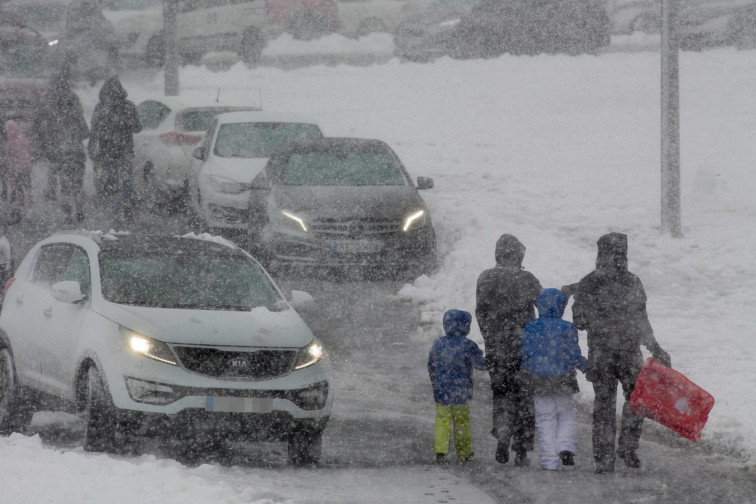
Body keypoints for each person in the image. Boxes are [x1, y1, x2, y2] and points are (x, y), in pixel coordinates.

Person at [567, 232, 671, 474]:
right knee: (636, 400)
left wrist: (598, 317)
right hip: (629, 352)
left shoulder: (589, 282)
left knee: (603, 404)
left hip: (601, 353)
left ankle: (604, 459)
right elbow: (642, 320)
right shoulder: (633, 281)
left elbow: (580, 321)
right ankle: (628, 445)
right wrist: (655, 347)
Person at [475, 234, 542, 466]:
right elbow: (545, 306)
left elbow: (481, 311)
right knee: (524, 397)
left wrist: (490, 337)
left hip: (497, 348)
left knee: (501, 394)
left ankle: (503, 432)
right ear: (519, 255)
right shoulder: (528, 279)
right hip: (524, 349)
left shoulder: (485, 277)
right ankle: (522, 449)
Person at [521, 288, 588, 471]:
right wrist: (587, 367)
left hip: (538, 379)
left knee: (545, 419)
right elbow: (574, 356)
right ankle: (565, 446)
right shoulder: (567, 327)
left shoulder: (530, 327)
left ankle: (549, 460)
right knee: (566, 413)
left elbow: (525, 355)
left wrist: (526, 370)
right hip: (563, 378)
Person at [427, 309, 487, 464]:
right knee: (462, 422)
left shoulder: (438, 344)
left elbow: (431, 365)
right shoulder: (468, 346)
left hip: (442, 390)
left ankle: (441, 450)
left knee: (442, 420)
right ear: (465, 327)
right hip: (461, 391)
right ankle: (464, 452)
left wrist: (435, 382)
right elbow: (480, 364)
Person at [35, 68, 89, 223]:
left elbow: (41, 128)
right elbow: (84, 130)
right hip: (76, 151)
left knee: (64, 185)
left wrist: (47, 145)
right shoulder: (74, 100)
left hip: (60, 152)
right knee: (77, 184)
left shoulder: (48, 103)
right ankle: (79, 209)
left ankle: (67, 214)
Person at [89, 75, 142, 221]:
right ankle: (125, 203)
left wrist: (93, 147)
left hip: (109, 150)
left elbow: (94, 129)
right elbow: (138, 127)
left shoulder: (101, 108)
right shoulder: (128, 106)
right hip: (123, 148)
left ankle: (118, 206)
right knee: (124, 177)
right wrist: (125, 124)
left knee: (114, 178)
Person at [2, 120, 33, 207]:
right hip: (26, 165)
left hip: (16, 167)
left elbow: (8, 152)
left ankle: (21, 200)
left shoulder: (11, 142)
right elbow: (29, 149)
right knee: (27, 183)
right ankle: (30, 198)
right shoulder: (23, 138)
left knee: (18, 184)